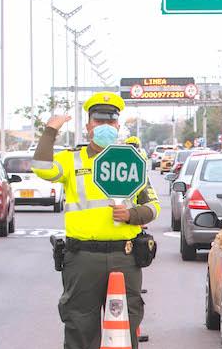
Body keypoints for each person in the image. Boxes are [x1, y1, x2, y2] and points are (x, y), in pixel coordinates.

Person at [33, 92, 160, 349]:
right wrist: (50, 131)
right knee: (79, 326)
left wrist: (132, 215)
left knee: (126, 327)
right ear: (88, 126)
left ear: (118, 125)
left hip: (124, 256)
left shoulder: (132, 161)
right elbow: (41, 167)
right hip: (82, 258)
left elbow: (153, 207)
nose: (105, 127)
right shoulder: (72, 160)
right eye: (98, 121)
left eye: (110, 122)